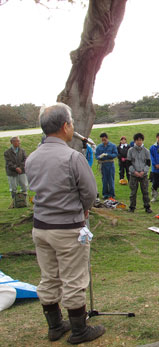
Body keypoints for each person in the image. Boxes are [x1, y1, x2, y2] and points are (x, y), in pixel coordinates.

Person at [26, 103, 104, 344]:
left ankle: (56, 326)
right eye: (71, 123)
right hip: (68, 228)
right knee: (74, 278)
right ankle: (80, 330)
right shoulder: (73, 157)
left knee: (49, 277)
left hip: (41, 227)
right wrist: (83, 209)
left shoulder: (32, 157)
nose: (72, 127)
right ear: (65, 126)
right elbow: (90, 194)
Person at [127, 133, 152, 213]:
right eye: (137, 140)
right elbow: (128, 163)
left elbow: (148, 163)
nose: (139, 142)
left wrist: (143, 171)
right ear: (135, 141)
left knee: (145, 191)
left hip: (143, 175)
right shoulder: (130, 151)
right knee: (133, 192)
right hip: (133, 174)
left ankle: (147, 207)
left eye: (140, 140)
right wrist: (134, 172)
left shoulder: (146, 151)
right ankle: (132, 207)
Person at [4, 136, 28, 206]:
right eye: (16, 141)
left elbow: (25, 159)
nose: (18, 142)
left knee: (24, 185)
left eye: (19, 141)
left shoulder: (22, 150)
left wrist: (20, 167)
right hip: (12, 172)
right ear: (12, 142)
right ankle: (15, 202)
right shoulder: (7, 152)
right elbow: (8, 162)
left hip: (22, 171)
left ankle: (23, 201)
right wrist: (16, 168)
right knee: (13, 187)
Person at [95, 132, 117, 199]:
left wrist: (108, 155)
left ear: (107, 138)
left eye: (104, 140)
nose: (103, 141)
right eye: (102, 140)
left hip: (110, 164)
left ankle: (111, 194)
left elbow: (115, 154)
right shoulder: (99, 147)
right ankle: (105, 194)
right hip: (103, 164)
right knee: (104, 180)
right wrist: (99, 157)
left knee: (111, 179)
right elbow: (96, 156)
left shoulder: (113, 146)